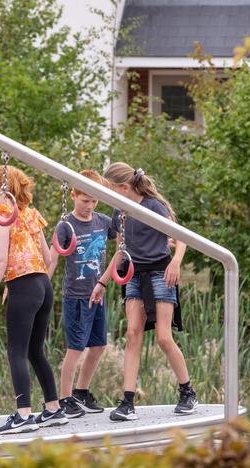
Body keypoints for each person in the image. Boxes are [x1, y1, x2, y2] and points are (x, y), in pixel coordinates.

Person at [90, 162, 197, 421]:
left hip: (161, 272)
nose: (108, 194)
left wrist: (176, 262)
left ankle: (187, 392)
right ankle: (127, 401)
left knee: (162, 337)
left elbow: (181, 237)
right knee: (132, 333)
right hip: (134, 274)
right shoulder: (120, 212)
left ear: (124, 187)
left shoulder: (153, 207)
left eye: (110, 189)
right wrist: (102, 282)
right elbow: (120, 250)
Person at [0, 165, 67, 434]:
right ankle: (53, 408)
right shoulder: (29, 214)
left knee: (16, 352)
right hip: (42, 283)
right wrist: (34, 281)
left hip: (25, 284)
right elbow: (49, 256)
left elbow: (1, 258)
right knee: (35, 350)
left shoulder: (2, 214)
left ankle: (23, 415)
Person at [49, 170, 116, 417]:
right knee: (75, 348)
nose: (89, 206)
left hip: (98, 292)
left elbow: (124, 237)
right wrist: (42, 285)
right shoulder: (66, 224)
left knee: (98, 346)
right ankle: (64, 398)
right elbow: (53, 257)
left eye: (94, 201)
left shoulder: (102, 221)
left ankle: (81, 392)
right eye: (84, 200)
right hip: (76, 295)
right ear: (74, 195)